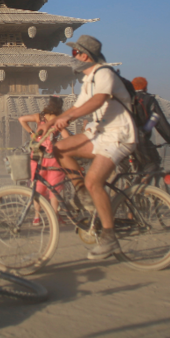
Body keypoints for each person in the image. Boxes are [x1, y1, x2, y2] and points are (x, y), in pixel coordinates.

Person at [45, 35, 137, 260]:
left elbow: (97, 102)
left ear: (85, 55)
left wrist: (67, 118)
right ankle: (84, 195)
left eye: (74, 53)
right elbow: (75, 107)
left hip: (118, 135)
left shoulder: (104, 73)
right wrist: (49, 126)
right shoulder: (88, 80)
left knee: (94, 180)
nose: (72, 57)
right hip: (98, 133)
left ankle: (109, 236)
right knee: (59, 149)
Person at [18, 96, 67, 226]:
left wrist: (31, 133)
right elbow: (67, 137)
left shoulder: (40, 117)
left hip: (37, 154)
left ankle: (36, 216)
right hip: (52, 156)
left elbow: (21, 119)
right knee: (54, 187)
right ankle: (54, 216)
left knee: (37, 187)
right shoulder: (58, 120)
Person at [131, 77, 170, 173]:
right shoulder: (148, 99)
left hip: (120, 140)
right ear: (145, 87)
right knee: (153, 164)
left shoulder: (124, 98)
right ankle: (145, 182)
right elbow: (158, 120)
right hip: (141, 140)